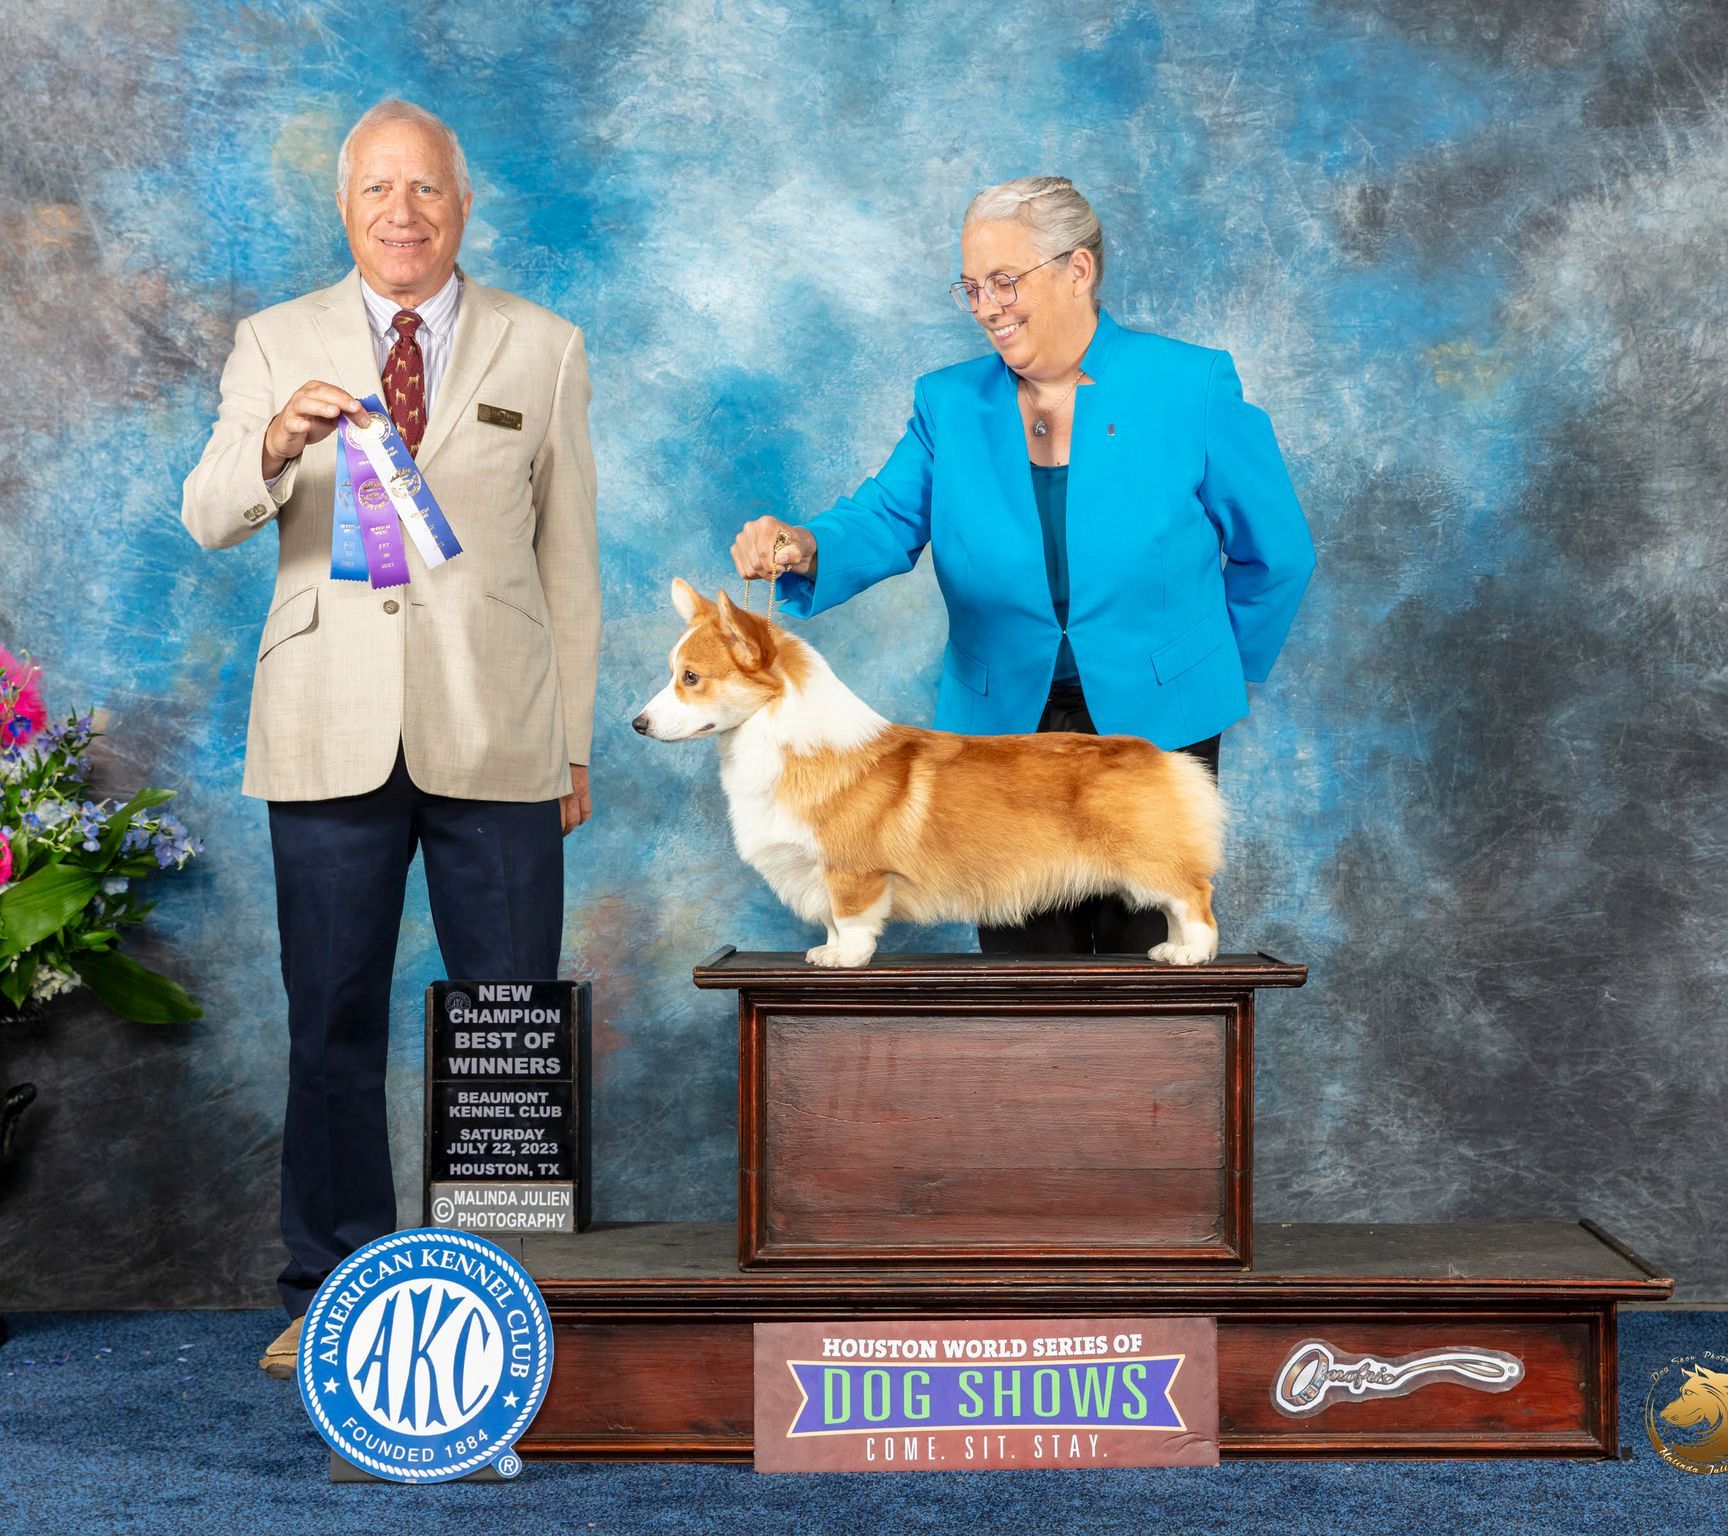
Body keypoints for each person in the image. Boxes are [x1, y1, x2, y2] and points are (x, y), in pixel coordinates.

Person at [180, 99, 600, 1377]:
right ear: (345, 208)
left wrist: (573, 742)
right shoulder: (273, 341)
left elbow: (570, 564)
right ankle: (329, 1285)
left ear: (463, 206)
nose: (402, 213)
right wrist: (273, 442)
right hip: (325, 731)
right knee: (332, 1018)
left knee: (511, 1020)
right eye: (378, 192)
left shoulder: (548, 345)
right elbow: (208, 514)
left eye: (425, 190)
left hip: (504, 729)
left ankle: (510, 1293)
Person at [731, 176, 1314, 956]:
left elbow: (1278, 552)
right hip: (1002, 726)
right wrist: (805, 545)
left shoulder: (1191, 384)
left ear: (1079, 270)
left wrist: (1199, 668)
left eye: (1005, 281)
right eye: (971, 288)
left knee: (1154, 956)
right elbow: (884, 516)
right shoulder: (947, 403)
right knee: (1022, 975)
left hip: (1160, 720)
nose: (986, 307)